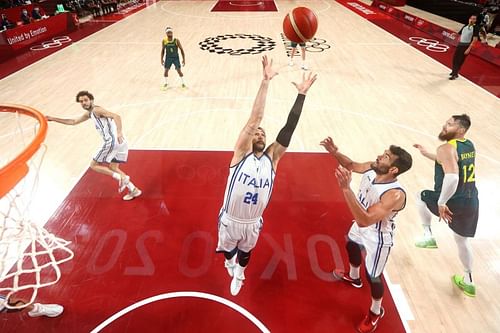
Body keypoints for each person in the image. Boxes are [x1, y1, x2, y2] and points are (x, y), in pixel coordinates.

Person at [216, 56, 317, 296]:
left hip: (252, 221)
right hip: (230, 218)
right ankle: (230, 263)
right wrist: (265, 82)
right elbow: (255, 119)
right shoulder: (241, 154)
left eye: (263, 134)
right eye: (256, 134)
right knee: (228, 250)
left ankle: (240, 274)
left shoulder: (273, 157)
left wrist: (301, 95)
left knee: (246, 252)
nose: (260, 135)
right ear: (250, 138)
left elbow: (288, 128)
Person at [321, 137, 412, 333]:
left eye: (386, 156)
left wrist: (346, 189)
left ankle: (375, 311)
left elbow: (366, 220)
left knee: (373, 277)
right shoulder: (373, 168)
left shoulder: (394, 194)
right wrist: (334, 152)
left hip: (377, 236)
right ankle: (354, 277)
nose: (380, 156)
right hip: (362, 223)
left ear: (394, 169)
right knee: (351, 245)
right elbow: (351, 165)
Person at [413, 114, 479, 297]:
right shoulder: (468, 145)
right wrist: (427, 154)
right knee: (461, 240)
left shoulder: (446, 148)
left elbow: (452, 176)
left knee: (420, 196)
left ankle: (428, 236)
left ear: (460, 130)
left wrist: (442, 202)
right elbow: (451, 160)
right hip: (471, 200)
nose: (444, 125)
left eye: (449, 124)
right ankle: (469, 281)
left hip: (453, 200)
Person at [46, 91, 142, 201]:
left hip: (112, 141)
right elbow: (73, 121)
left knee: (93, 165)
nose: (83, 103)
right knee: (113, 167)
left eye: (85, 100)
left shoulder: (97, 110)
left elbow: (117, 116)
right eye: (81, 101)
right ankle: (134, 190)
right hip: (121, 143)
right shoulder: (89, 113)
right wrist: (53, 118)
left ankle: (120, 177)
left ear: (91, 100)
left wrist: (119, 132)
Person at [449, 15, 479, 80]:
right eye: (471, 18)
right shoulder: (465, 26)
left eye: (474, 19)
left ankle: (454, 74)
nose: (472, 20)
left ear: (475, 20)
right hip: (460, 44)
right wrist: (454, 34)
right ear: (469, 19)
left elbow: (475, 39)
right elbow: (459, 33)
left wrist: (469, 49)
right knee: (455, 59)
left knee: (460, 60)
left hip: (466, 46)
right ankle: (455, 72)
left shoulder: (476, 28)